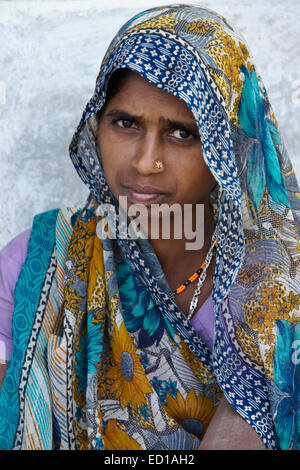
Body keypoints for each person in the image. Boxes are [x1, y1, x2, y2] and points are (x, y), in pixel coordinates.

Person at [0, 4, 299, 451]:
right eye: (125, 123)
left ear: (226, 148)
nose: (145, 162)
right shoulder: (37, 264)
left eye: (182, 133)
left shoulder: (279, 288)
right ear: (96, 125)